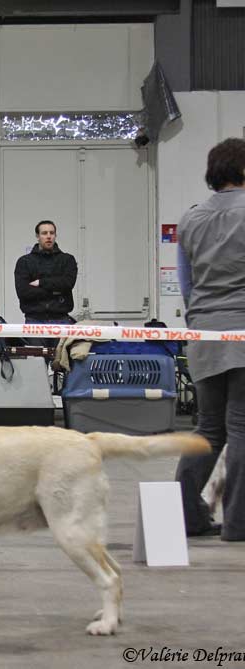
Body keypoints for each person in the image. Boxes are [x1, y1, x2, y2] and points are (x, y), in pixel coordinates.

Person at [175, 137, 245, 541]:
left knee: (208, 428)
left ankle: (185, 516)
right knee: (241, 427)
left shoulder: (190, 219)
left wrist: (203, 318)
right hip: (242, 331)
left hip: (203, 332)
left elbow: (187, 285)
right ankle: (238, 523)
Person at [14, 220, 77, 348]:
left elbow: (68, 283)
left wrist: (41, 282)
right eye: (44, 233)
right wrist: (56, 290)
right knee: (36, 359)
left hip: (61, 320)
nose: (48, 236)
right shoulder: (24, 262)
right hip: (34, 321)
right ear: (37, 236)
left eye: (52, 233)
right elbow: (24, 292)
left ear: (55, 235)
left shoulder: (67, 260)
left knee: (62, 359)